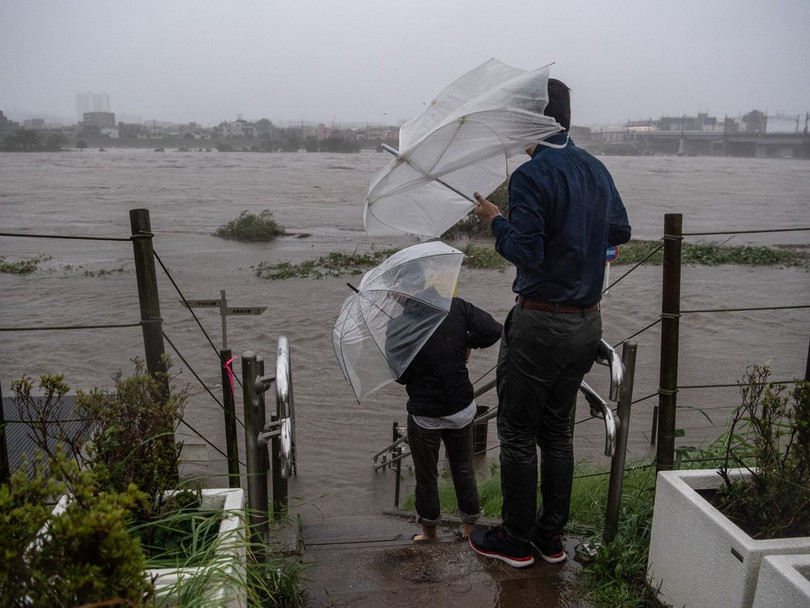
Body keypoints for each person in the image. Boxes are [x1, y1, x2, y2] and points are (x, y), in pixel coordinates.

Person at [467, 78, 631, 567]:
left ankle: (516, 541)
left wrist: (496, 221)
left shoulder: (531, 175)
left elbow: (528, 255)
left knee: (517, 433)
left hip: (539, 325)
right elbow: (619, 230)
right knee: (556, 433)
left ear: (532, 120)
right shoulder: (595, 167)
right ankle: (550, 539)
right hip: (587, 323)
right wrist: (582, 240)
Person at [386, 276, 503, 542]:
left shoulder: (398, 327)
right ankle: (470, 529)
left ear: (408, 288)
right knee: (464, 469)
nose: (392, 296)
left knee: (426, 475)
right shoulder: (456, 307)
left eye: (395, 290)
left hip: (425, 413)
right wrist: (467, 342)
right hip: (461, 406)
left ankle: (429, 533)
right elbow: (494, 331)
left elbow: (399, 375)